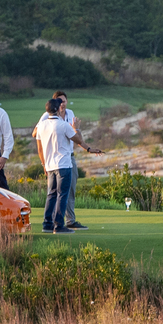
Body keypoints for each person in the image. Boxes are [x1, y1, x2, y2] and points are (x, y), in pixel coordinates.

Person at [34, 97, 102, 233]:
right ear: (58, 109)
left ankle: (47, 224)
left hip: (50, 165)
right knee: (62, 195)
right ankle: (59, 225)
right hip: (63, 164)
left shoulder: (41, 126)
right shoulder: (63, 125)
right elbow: (78, 139)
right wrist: (76, 128)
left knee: (51, 195)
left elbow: (39, 145)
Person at [53, 90, 88, 230]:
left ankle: (70, 220)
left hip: (70, 156)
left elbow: (76, 136)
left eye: (64, 101)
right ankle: (53, 222)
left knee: (71, 188)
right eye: (59, 101)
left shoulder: (70, 114)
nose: (62, 104)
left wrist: (88, 148)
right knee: (55, 191)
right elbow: (36, 133)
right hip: (55, 158)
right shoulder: (49, 116)